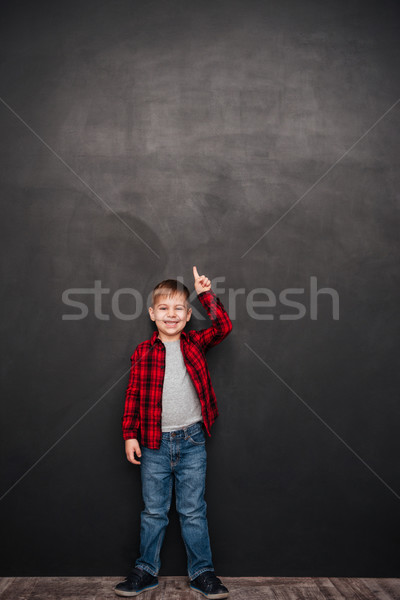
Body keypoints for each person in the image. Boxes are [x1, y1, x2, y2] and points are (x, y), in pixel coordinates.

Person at [114, 266, 233, 599]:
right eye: (164, 308)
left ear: (187, 314)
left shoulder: (195, 342)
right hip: (154, 443)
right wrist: (129, 434)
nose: (171, 314)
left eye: (179, 308)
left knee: (193, 510)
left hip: (192, 440)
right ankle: (146, 570)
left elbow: (224, 326)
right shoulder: (143, 352)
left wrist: (205, 294)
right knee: (154, 511)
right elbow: (133, 396)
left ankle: (202, 573)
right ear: (152, 314)